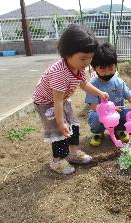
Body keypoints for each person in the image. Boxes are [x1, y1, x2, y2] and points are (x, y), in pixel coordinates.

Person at [33, 24, 108, 175]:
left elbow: (84, 83)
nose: (87, 62)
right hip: (47, 102)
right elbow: (57, 101)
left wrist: (99, 92)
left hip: (62, 99)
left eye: (90, 58)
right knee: (59, 131)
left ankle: (73, 153)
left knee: (73, 125)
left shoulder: (79, 67)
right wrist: (60, 122)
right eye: (83, 58)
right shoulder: (60, 73)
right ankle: (57, 161)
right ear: (67, 54)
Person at [85, 42, 131, 146]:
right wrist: (110, 110)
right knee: (94, 117)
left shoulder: (118, 82)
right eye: (103, 69)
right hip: (101, 114)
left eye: (111, 68)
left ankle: (119, 130)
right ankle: (98, 133)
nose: (107, 73)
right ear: (95, 68)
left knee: (127, 112)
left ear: (115, 66)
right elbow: (94, 106)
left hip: (117, 113)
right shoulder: (93, 84)